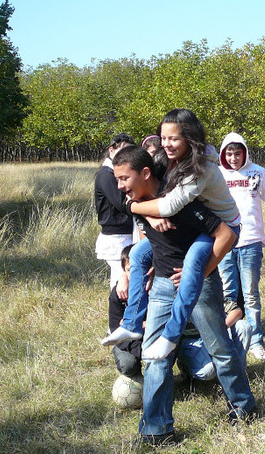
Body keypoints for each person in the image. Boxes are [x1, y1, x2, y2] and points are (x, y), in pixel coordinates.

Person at [110, 146, 255, 444]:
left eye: (125, 179)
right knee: (154, 357)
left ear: (146, 174)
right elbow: (127, 206)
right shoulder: (136, 200)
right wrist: (145, 217)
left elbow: (226, 233)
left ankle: (243, 407)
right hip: (162, 286)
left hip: (199, 286)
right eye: (118, 179)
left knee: (220, 350)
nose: (121, 186)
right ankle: (157, 429)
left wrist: (199, 273)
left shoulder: (181, 201)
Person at [101, 109, 241, 360]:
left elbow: (168, 206)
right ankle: (132, 323)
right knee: (138, 254)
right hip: (198, 223)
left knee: (192, 267)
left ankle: (171, 335)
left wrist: (133, 207)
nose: (166, 144)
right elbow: (141, 192)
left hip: (221, 227)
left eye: (173, 138)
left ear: (190, 138)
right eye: (163, 137)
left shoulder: (201, 168)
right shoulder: (166, 162)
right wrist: (146, 214)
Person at [217, 132, 265, 360]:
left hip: (251, 241)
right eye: (229, 153)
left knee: (251, 293)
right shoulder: (218, 174)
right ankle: (228, 339)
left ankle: (256, 341)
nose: (233, 158)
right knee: (227, 293)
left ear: (244, 152)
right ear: (223, 154)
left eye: (238, 153)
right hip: (223, 242)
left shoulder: (258, 173)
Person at [94, 133, 135, 290]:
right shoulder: (106, 174)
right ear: (111, 150)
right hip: (116, 236)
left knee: (124, 279)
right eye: (122, 151)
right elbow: (121, 203)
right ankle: (117, 313)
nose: (125, 156)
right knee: (120, 282)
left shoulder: (113, 172)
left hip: (122, 233)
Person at [108, 245, 142, 377]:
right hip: (127, 342)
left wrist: (140, 324)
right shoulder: (118, 293)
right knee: (128, 365)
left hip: (152, 338)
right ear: (123, 270)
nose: (135, 274)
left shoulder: (157, 289)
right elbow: (115, 328)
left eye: (139, 269)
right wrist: (140, 351)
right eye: (129, 270)